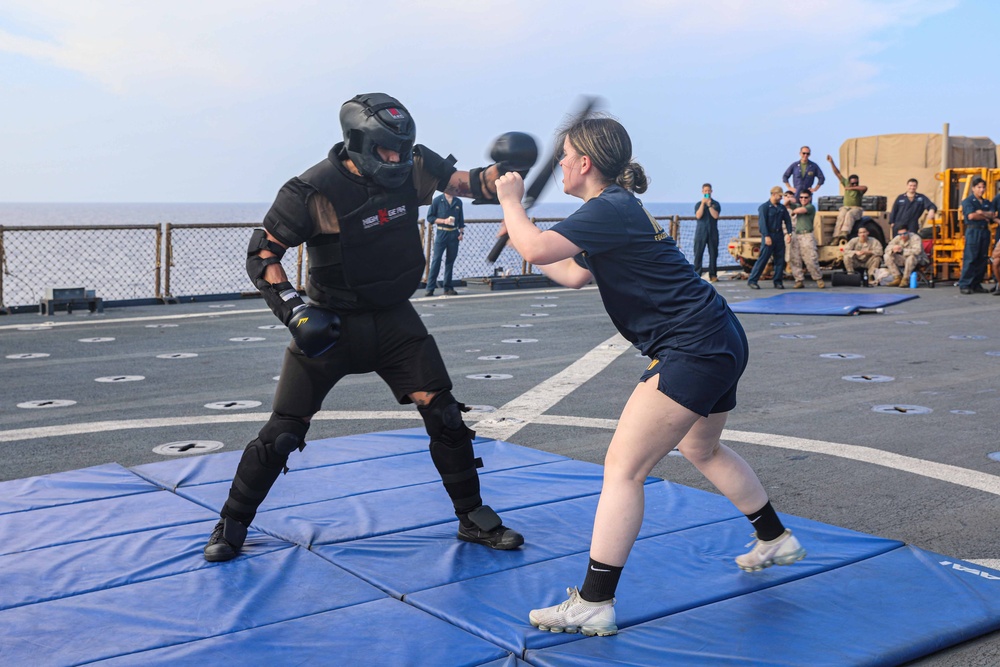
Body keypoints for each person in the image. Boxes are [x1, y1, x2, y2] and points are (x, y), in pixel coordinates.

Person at [495, 116, 805, 637]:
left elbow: (536, 250)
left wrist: (512, 204)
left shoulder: (608, 208)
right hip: (718, 335)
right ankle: (774, 537)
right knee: (701, 450)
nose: (562, 164)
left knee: (623, 470)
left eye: (566, 155)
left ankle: (594, 601)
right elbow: (570, 272)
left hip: (693, 346)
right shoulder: (612, 210)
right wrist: (524, 229)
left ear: (585, 163)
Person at [202, 93, 537, 562]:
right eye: (387, 151)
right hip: (330, 324)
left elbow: (470, 184)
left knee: (444, 415)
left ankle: (472, 517)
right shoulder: (310, 191)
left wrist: (506, 168)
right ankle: (231, 523)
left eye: (403, 149)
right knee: (283, 432)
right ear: (359, 142)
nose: (398, 160)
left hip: (394, 319)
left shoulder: (415, 167)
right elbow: (262, 254)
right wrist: (295, 312)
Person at [747, 186, 794, 289]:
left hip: (779, 235)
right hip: (769, 235)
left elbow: (787, 221)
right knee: (763, 259)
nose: (781, 198)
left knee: (779, 260)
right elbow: (762, 223)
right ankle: (753, 280)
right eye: (779, 196)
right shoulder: (764, 207)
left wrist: (789, 233)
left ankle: (778, 281)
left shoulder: (781, 208)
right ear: (773, 194)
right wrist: (766, 235)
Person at [957, 176, 998, 295]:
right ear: (973, 188)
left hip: (985, 231)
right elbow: (971, 216)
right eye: (979, 187)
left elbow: (992, 215)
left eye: (983, 187)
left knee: (982, 258)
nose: (981, 189)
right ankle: (965, 284)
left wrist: (982, 213)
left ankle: (976, 283)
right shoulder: (968, 201)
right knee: (971, 258)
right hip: (973, 231)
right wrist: (986, 216)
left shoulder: (986, 202)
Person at [425, 192, 465, 296]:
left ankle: (448, 287)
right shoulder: (437, 200)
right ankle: (430, 288)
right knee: (436, 260)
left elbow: (461, 219)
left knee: (450, 261)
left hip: (454, 234)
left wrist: (461, 233)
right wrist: (444, 221)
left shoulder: (458, 202)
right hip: (442, 233)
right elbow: (430, 217)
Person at [787, 191, 825, 289]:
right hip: (796, 234)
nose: (803, 199)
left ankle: (818, 278)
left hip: (806, 235)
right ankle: (799, 280)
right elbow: (786, 204)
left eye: (806, 197)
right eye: (801, 197)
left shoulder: (810, 207)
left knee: (811, 258)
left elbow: (800, 210)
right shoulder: (797, 205)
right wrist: (790, 199)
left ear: (810, 198)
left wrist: (794, 210)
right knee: (795, 258)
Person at [826, 155, 868, 242]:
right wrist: (831, 162)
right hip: (846, 207)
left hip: (856, 208)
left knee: (850, 214)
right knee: (841, 215)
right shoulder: (846, 183)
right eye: (853, 183)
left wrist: (851, 188)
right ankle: (836, 237)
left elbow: (865, 188)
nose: (855, 184)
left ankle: (844, 233)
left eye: (856, 183)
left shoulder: (859, 189)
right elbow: (837, 173)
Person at [692, 183, 721, 281]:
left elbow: (715, 216)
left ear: (711, 191)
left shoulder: (715, 204)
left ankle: (713, 275)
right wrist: (703, 204)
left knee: (713, 254)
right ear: (702, 192)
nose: (707, 192)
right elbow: (698, 216)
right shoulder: (698, 204)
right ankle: (697, 274)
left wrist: (709, 205)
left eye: (709, 191)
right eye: (705, 191)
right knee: (698, 253)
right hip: (701, 232)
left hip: (713, 232)